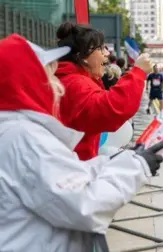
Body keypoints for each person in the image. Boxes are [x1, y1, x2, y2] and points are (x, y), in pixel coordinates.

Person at [0, 34, 163, 252]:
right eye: (48, 74)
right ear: (27, 81)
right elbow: (85, 204)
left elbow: (67, 176)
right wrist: (136, 166)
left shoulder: (17, 132)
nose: (55, 82)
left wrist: (122, 160)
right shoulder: (24, 138)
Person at [55, 22, 152, 160]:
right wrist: (138, 72)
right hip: (74, 170)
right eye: (101, 49)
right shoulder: (76, 84)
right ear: (83, 57)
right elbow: (113, 108)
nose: (106, 53)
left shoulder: (70, 79)